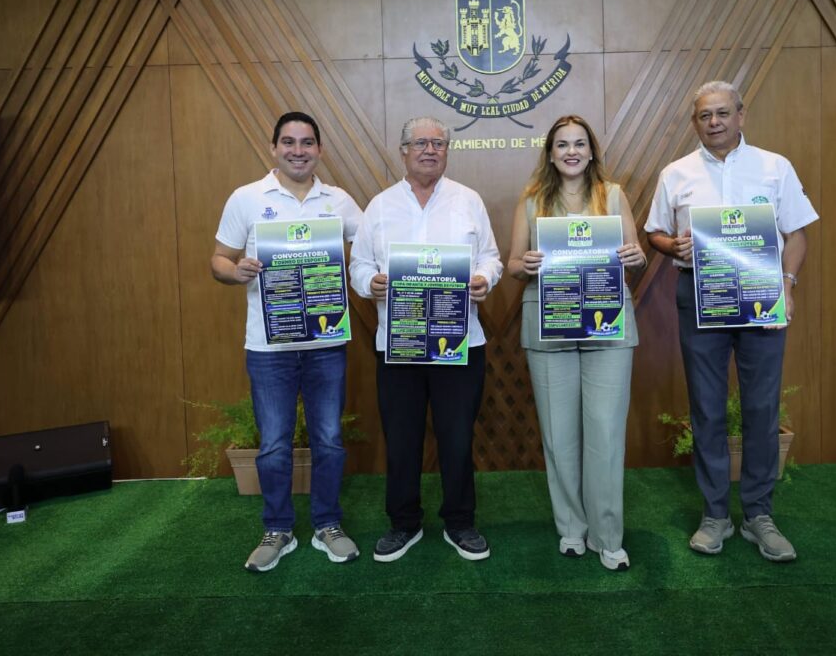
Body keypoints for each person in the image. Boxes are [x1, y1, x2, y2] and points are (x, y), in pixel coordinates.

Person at [645, 81, 818, 562]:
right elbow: (655, 232)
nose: (714, 122)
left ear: (741, 115)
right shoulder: (675, 173)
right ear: (695, 122)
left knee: (762, 407)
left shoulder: (775, 166)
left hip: (762, 298)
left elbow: (797, 234)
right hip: (700, 296)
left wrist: (787, 285)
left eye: (723, 113)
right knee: (707, 408)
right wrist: (672, 245)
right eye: (705, 115)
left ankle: (759, 515)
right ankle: (715, 515)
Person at [212, 111, 364, 571]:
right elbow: (219, 259)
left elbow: (373, 246)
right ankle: (277, 528)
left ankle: (327, 524)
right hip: (268, 348)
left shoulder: (338, 201)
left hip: (325, 345)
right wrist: (235, 271)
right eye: (289, 142)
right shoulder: (247, 198)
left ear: (319, 149)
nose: (298, 151)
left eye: (307, 142)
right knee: (275, 444)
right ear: (273, 148)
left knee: (329, 440)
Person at [349, 116, 503, 563]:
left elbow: (491, 257)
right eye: (420, 143)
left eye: (438, 143)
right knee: (401, 438)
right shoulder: (380, 206)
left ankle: (460, 522)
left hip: (460, 342)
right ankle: (403, 523)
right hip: (399, 344)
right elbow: (358, 264)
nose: (430, 150)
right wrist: (370, 283)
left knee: (457, 438)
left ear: (447, 151)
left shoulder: (468, 201)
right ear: (403, 151)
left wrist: (484, 278)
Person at [507, 115, 647, 571]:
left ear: (591, 152)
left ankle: (608, 536)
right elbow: (512, 264)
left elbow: (637, 257)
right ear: (550, 154)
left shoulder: (614, 195)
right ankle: (571, 527)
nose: (571, 151)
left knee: (605, 433)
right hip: (550, 326)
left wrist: (636, 256)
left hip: (608, 327)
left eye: (580, 144)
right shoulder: (532, 199)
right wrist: (526, 264)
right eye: (562, 144)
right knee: (559, 435)